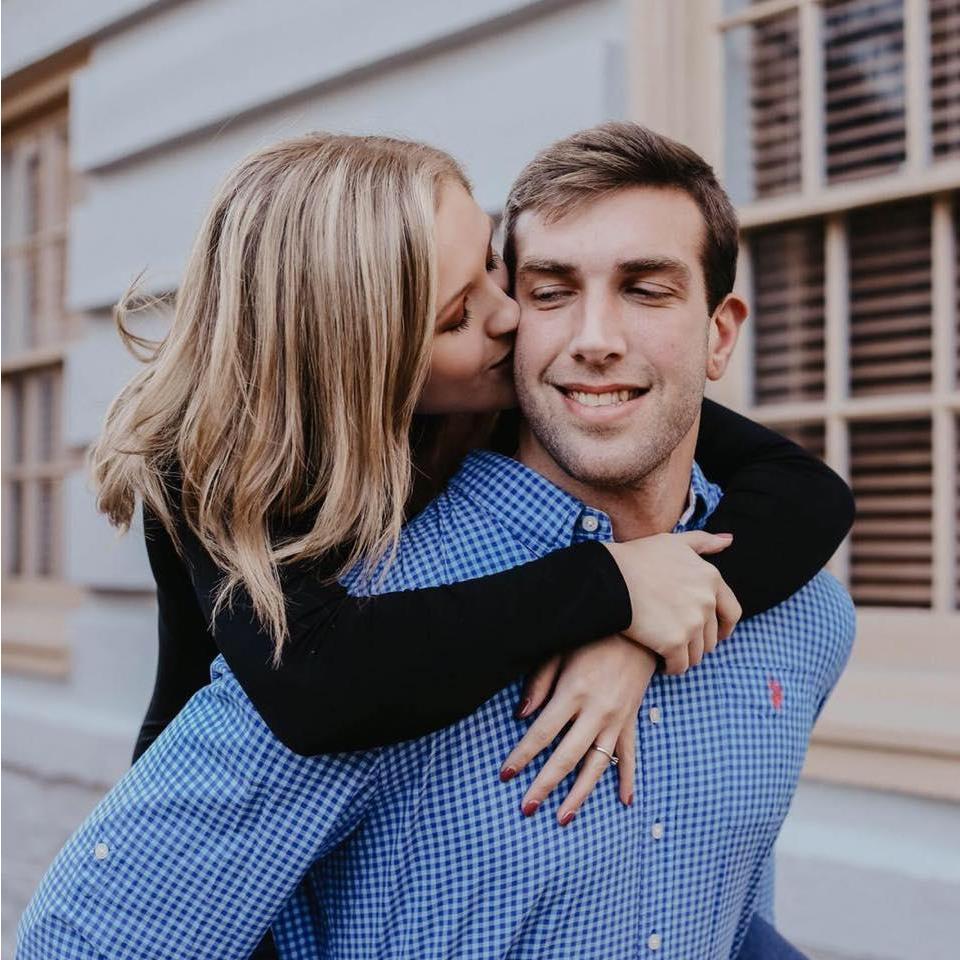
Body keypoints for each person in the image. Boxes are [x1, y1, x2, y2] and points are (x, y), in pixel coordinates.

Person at [18, 126, 852, 960]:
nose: (515, 317)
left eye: (494, 268)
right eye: (472, 309)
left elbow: (810, 492)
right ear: (372, 360)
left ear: (719, 330)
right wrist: (607, 591)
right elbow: (315, 687)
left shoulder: (800, 609)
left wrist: (651, 621)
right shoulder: (222, 481)